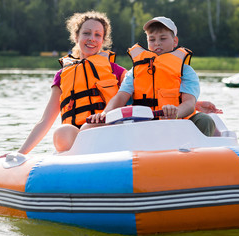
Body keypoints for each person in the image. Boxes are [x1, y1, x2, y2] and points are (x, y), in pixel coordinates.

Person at [16, 11, 127, 154]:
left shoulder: (116, 71)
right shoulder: (62, 75)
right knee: (62, 132)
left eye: (97, 35)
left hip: (108, 130)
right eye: (86, 33)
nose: (92, 38)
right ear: (76, 36)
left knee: (88, 129)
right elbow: (45, 121)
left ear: (103, 40)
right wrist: (20, 153)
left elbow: (134, 97)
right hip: (74, 138)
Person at [88, 16, 221, 137]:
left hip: (179, 124)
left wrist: (175, 112)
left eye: (163, 39)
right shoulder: (135, 71)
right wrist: (105, 113)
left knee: (205, 120)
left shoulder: (185, 71)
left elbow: (189, 103)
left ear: (175, 41)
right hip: (144, 125)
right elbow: (121, 96)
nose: (157, 43)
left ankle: (196, 157)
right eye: (152, 39)